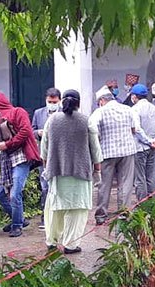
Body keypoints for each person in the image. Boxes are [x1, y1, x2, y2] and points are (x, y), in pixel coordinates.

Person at [40, 90, 102, 254]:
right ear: (79, 103)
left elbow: (44, 149)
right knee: (78, 209)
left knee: (55, 208)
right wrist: (97, 171)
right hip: (80, 173)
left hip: (57, 171)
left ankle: (51, 241)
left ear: (62, 102)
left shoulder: (52, 120)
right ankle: (71, 245)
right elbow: (95, 149)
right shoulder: (86, 121)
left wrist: (47, 168)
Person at [0, 92, 40, 237]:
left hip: (21, 158)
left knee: (15, 194)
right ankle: (19, 219)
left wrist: (8, 144)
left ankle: (17, 226)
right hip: (7, 162)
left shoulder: (18, 112)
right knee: (0, 195)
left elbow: (26, 131)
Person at [88, 86, 140, 225]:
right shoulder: (128, 109)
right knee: (125, 183)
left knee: (104, 184)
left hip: (107, 152)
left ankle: (101, 215)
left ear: (102, 100)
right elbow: (135, 128)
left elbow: (92, 130)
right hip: (128, 151)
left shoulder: (99, 112)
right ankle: (124, 213)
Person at [129, 84, 155, 201]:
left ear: (134, 96)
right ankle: (152, 201)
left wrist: (149, 141)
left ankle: (142, 203)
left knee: (140, 178)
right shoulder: (154, 108)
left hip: (140, 148)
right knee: (151, 175)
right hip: (152, 147)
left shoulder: (134, 109)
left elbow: (137, 129)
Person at [31, 88, 61, 215]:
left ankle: (58, 213)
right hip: (44, 155)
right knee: (45, 186)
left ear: (59, 101)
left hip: (60, 155)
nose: (52, 104)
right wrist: (38, 133)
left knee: (59, 186)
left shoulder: (64, 113)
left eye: (55, 102)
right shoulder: (38, 113)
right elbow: (31, 131)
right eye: (50, 102)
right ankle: (46, 214)